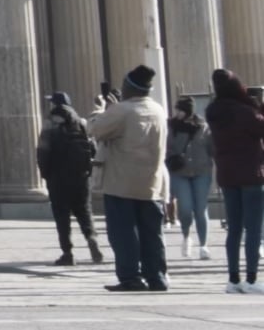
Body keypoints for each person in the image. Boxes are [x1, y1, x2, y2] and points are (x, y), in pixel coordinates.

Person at [87, 64, 169, 292]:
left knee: (123, 234)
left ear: (130, 87)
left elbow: (94, 129)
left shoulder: (122, 110)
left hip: (122, 183)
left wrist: (101, 110)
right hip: (151, 183)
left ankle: (131, 276)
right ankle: (157, 276)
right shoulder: (158, 110)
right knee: (152, 234)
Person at [207, 69, 262, 294]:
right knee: (253, 229)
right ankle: (251, 279)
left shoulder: (213, 112)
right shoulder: (245, 111)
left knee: (234, 229)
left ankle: (233, 279)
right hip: (250, 173)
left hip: (227, 174)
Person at [38, 92, 103, 264]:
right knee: (84, 211)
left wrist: (45, 173)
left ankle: (67, 253)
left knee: (62, 215)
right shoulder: (81, 122)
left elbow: (43, 150)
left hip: (57, 176)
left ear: (55, 104)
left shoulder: (50, 123)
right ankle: (91, 238)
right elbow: (92, 148)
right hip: (80, 176)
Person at [169, 94, 213, 261]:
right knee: (186, 208)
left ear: (187, 111)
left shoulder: (202, 126)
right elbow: (166, 147)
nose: (177, 113)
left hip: (201, 171)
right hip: (180, 172)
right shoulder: (171, 126)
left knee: (201, 209)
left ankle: (204, 245)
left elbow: (211, 148)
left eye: (180, 110)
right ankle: (186, 236)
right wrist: (170, 158)